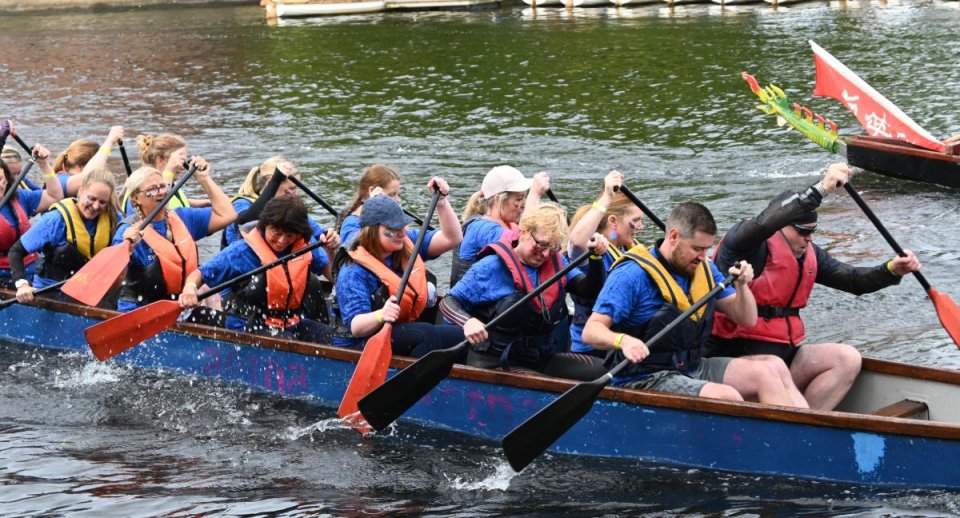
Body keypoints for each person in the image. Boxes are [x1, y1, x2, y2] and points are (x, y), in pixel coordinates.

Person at [708, 163, 921, 410]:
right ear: (782, 224)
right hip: (737, 364)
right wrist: (821, 189)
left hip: (783, 359)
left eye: (813, 231)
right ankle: (797, 422)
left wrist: (892, 270)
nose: (809, 239)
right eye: (802, 232)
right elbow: (765, 223)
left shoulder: (810, 254)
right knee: (771, 371)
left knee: (846, 358)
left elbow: (853, 280)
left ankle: (808, 422)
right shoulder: (745, 243)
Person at [582, 202, 807, 407]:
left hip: (692, 366)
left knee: (770, 369)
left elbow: (746, 319)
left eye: (707, 249)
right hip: (645, 376)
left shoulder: (705, 270)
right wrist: (623, 341)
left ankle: (804, 440)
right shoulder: (631, 274)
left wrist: (742, 286)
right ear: (673, 236)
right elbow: (591, 332)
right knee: (727, 397)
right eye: (697, 249)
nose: (703, 256)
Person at [440, 203, 610, 381]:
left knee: (602, 371)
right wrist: (467, 322)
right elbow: (448, 302)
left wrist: (596, 258)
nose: (544, 254)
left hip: (539, 359)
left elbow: (588, 291)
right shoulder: (490, 267)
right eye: (540, 245)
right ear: (524, 232)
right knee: (543, 382)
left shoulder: (556, 262)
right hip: (495, 363)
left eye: (551, 248)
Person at [179, 196, 336, 342]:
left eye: (289, 236)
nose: (282, 241)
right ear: (265, 225)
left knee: (331, 338)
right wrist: (189, 289)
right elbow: (199, 274)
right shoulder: (241, 251)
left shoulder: (305, 246)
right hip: (246, 325)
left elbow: (333, 277)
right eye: (277, 233)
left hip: (291, 323)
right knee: (285, 341)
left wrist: (330, 250)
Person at [334, 183, 464, 357]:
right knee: (425, 334)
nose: (401, 233)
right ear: (373, 231)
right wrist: (381, 314)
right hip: (359, 343)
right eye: (393, 229)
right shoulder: (353, 270)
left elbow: (453, 238)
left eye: (402, 226)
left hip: (398, 330)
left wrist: (441, 203)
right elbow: (356, 327)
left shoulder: (405, 242)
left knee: (461, 336)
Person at [114, 160, 236, 313]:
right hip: (138, 310)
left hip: (177, 308)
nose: (160, 192)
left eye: (162, 186)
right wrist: (127, 249)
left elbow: (228, 215)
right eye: (151, 189)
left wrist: (204, 178)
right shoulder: (127, 232)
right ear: (136, 198)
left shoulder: (183, 217)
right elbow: (115, 280)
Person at [9, 168, 119, 305]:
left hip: (87, 291)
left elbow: (129, 225)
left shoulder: (113, 219)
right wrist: (22, 285)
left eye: (102, 202)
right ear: (80, 191)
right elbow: (16, 252)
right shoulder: (55, 220)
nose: (96, 206)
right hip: (50, 291)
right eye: (91, 198)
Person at [566, 170, 645, 357]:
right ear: (613, 221)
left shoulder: (630, 250)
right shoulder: (592, 246)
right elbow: (576, 241)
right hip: (590, 348)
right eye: (635, 221)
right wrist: (607, 197)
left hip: (623, 343)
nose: (640, 227)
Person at [449, 165, 551, 288]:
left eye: (525, 197)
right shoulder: (482, 229)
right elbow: (522, 245)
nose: (523, 205)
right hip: (472, 303)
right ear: (498, 199)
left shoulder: (510, 224)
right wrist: (534, 195)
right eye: (518, 199)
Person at [222, 156, 339, 257]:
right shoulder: (241, 204)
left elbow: (318, 233)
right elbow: (245, 223)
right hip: (242, 271)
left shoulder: (289, 209)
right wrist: (276, 180)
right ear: (271, 185)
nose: (295, 194)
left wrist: (331, 237)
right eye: (291, 189)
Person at [0, 144, 65, 286]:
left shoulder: (20, 197)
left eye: (1, 179)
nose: (0, 185)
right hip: (4, 277)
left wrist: (44, 164)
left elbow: (55, 196)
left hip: (31, 267)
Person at [120, 133, 208, 214]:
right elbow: (159, 210)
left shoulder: (169, 184)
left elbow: (178, 200)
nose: (182, 167)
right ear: (160, 160)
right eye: (180, 161)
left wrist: (206, 202)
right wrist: (169, 171)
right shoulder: (141, 189)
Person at [337, 163, 402, 247]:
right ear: (372, 191)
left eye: (397, 194)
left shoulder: (392, 219)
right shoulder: (351, 223)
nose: (398, 199)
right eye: (391, 195)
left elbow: (412, 236)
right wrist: (373, 211)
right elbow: (355, 247)